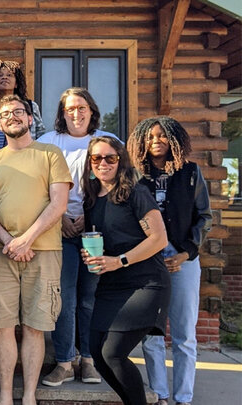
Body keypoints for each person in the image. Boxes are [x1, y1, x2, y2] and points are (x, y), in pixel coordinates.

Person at [0, 95, 71, 405]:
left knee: (35, 327)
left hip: (43, 251)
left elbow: (58, 204)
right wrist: (10, 241)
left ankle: (29, 396)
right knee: (2, 328)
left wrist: (26, 240)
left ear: (30, 118)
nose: (13, 117)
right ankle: (6, 395)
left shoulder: (50, 154)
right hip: (0, 252)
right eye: (6, 114)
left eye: (19, 112)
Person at [81, 135, 170, 405]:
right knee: (97, 352)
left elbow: (159, 238)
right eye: (97, 158)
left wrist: (119, 260)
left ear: (121, 162)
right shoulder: (91, 198)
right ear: (89, 162)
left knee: (113, 353)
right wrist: (92, 255)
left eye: (111, 158)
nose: (103, 163)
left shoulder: (135, 192)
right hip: (111, 285)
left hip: (145, 283)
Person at [129, 117, 211, 405]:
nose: (156, 141)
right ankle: (160, 395)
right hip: (147, 263)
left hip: (184, 261)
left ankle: (183, 397)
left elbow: (204, 216)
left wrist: (187, 252)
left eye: (163, 136)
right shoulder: (135, 176)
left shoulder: (190, 172)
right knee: (152, 333)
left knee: (184, 334)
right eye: (150, 137)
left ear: (174, 140)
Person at [37, 87, 114, 387]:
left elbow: (118, 188)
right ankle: (65, 361)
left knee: (89, 299)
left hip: (96, 232)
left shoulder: (107, 141)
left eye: (81, 107)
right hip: (60, 232)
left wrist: (90, 216)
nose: (76, 113)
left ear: (92, 110)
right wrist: (60, 219)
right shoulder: (48, 142)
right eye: (70, 108)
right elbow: (37, 184)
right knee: (65, 299)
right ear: (62, 113)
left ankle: (90, 360)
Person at [0, 60, 45, 138]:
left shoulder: (30, 106)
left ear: (16, 83)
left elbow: (41, 133)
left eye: (9, 75)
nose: (4, 77)